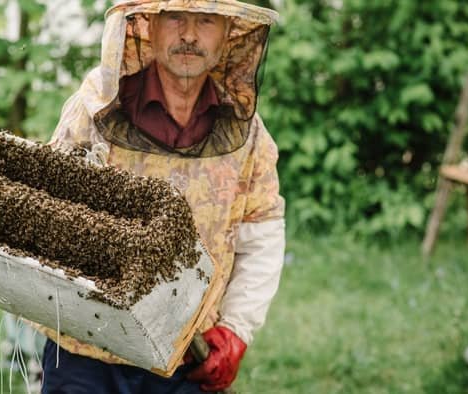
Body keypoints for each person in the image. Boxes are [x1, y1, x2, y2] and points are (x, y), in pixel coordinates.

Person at [36, 1, 286, 392]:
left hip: (185, 358)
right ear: (149, 26)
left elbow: (261, 235)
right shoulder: (96, 109)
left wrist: (237, 329)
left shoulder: (249, 135)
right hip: (84, 351)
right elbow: (49, 213)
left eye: (206, 20)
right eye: (175, 17)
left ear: (227, 35)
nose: (189, 35)